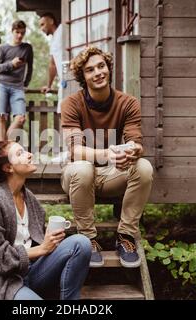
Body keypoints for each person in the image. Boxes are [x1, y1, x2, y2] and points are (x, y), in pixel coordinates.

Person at [60, 47, 154, 268]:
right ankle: (88, 239)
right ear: (83, 77)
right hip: (78, 176)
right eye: (90, 70)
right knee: (83, 167)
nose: (98, 73)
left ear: (108, 68)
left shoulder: (128, 103)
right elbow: (75, 150)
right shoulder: (71, 104)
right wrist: (108, 153)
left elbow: (136, 141)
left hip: (112, 175)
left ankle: (126, 236)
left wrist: (130, 151)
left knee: (144, 167)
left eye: (101, 66)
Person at [0, 141, 91, 300]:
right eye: (20, 153)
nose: (29, 155)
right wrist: (42, 248)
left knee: (81, 243)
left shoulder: (28, 197)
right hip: (6, 280)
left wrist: (48, 240)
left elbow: (34, 238)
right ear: (8, 167)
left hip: (33, 271)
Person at [0, 20, 34, 142]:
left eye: (22, 33)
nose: (19, 35)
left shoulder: (27, 48)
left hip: (18, 87)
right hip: (1, 85)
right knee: (1, 117)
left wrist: (26, 83)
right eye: (17, 32)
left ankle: (6, 145)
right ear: (12, 31)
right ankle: (1, 154)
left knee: (21, 118)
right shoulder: (3, 48)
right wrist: (11, 64)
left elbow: (30, 68)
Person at [39, 12, 64, 114]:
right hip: (63, 82)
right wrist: (49, 85)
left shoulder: (63, 29)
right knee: (62, 113)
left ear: (51, 21)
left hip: (73, 78)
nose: (41, 29)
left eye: (42, 24)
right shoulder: (53, 40)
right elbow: (52, 65)